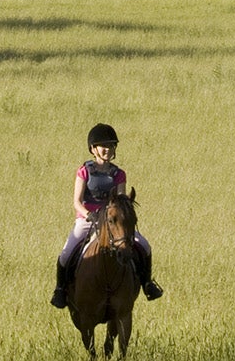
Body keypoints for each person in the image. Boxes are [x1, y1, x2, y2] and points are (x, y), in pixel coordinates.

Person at [52, 122, 159, 308]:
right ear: (94, 149)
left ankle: (147, 284)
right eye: (104, 146)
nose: (108, 150)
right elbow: (76, 201)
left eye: (111, 146)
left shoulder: (119, 174)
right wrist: (89, 215)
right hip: (87, 220)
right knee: (66, 254)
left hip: (113, 221)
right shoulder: (84, 171)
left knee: (144, 246)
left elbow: (120, 200)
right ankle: (61, 289)